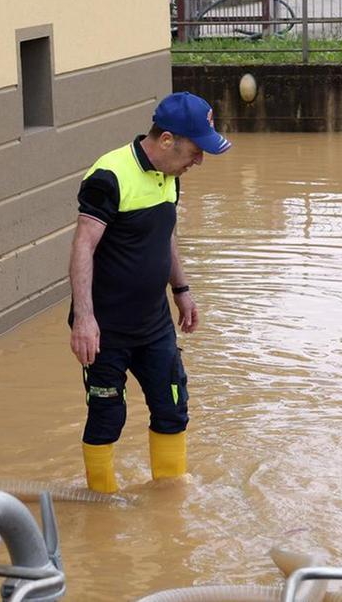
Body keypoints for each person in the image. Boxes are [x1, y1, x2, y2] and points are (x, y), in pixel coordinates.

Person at [68, 92, 231, 493]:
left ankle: (171, 499)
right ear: (167, 140)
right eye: (195, 150)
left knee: (172, 409)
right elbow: (83, 246)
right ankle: (101, 504)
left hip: (154, 324)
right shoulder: (110, 176)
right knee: (107, 418)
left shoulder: (170, 178)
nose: (199, 161)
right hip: (106, 329)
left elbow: (166, 235)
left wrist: (182, 289)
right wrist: (85, 319)